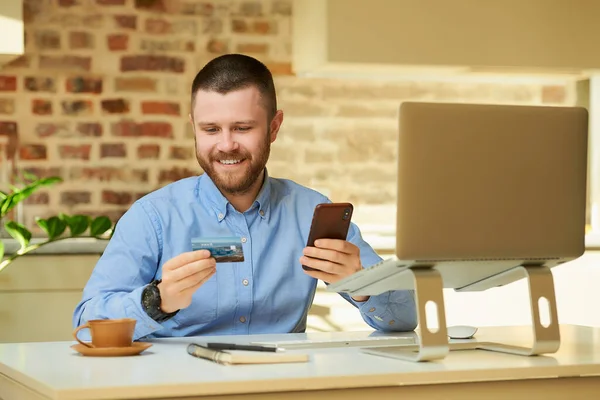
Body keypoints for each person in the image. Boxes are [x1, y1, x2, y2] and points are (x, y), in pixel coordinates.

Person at [73, 54, 417, 340]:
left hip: (284, 388)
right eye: (211, 130)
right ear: (194, 127)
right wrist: (157, 300)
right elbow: (86, 327)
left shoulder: (312, 212)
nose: (226, 145)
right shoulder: (152, 217)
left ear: (274, 127)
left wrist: (361, 286)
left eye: (242, 128)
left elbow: (407, 316)